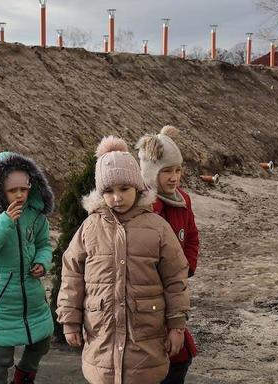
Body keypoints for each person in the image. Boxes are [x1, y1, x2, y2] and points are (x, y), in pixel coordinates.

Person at [57, 136, 190, 384]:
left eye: (124, 189)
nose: (117, 197)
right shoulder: (89, 228)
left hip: (145, 341)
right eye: (108, 191)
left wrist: (176, 325)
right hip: (102, 339)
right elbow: (71, 275)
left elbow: (175, 279)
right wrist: (70, 321)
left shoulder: (157, 228)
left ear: (138, 187)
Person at [0, 151, 55, 384]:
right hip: (1, 301)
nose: (19, 195)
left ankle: (23, 378)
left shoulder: (36, 215)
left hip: (32, 298)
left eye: (24, 189)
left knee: (42, 342)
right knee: (0, 357)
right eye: (12, 190)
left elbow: (43, 244)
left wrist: (41, 262)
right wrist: (5, 220)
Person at [137, 126, 200, 383]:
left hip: (175, 287)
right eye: (166, 171)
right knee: (159, 355)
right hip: (150, 293)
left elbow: (192, 237)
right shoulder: (144, 208)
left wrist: (187, 267)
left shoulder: (182, 199)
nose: (174, 177)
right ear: (151, 172)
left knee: (181, 356)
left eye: (177, 170)